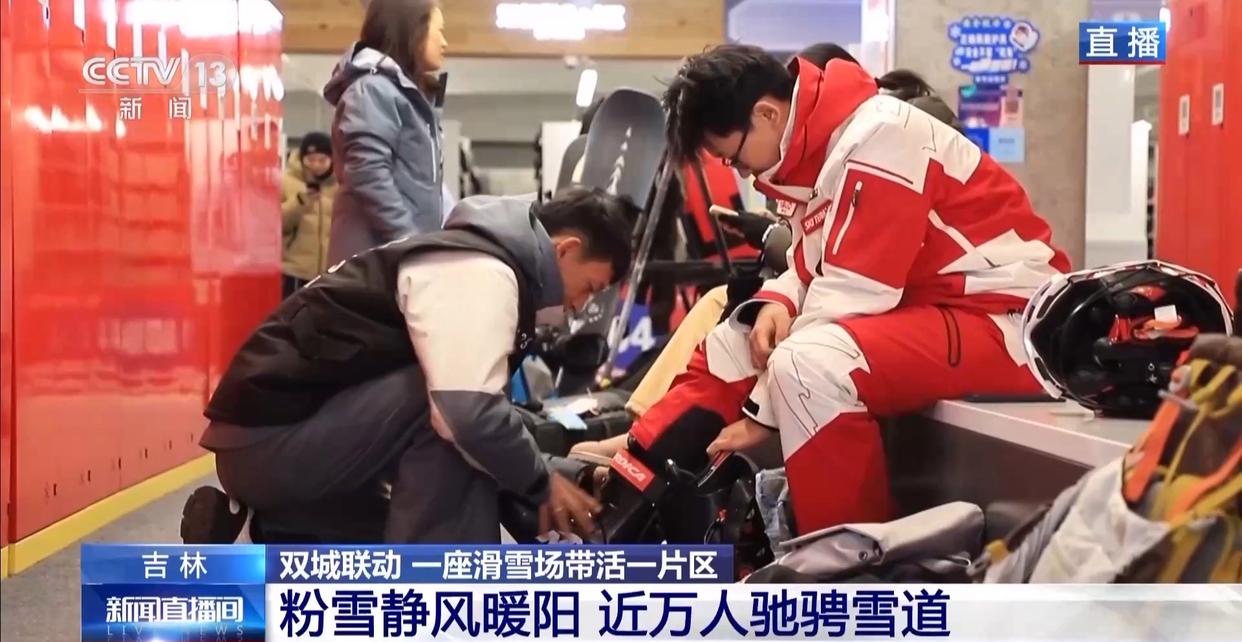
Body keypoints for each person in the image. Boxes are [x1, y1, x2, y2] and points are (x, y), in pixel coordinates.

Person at [612, 44, 1070, 536]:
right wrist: (779, 300)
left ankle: (847, 563)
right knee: (738, 336)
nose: (738, 171)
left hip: (1011, 326)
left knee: (807, 365)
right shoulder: (817, 153)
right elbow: (812, 265)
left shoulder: (882, 135)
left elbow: (855, 292)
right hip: (934, 313)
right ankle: (628, 477)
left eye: (734, 156)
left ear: (766, 114)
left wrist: (761, 415)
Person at [181, 188, 636, 543]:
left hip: (282, 440)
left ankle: (277, 529)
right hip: (265, 449)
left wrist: (553, 470)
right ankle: (442, 592)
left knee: (431, 481)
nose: (582, 306)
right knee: (452, 417)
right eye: (590, 287)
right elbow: (468, 415)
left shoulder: (472, 259)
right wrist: (540, 482)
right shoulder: (478, 271)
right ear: (564, 250)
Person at [324, 0, 449, 263]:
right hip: (375, 263)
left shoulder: (404, 95)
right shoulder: (372, 89)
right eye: (438, 31)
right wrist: (408, 241)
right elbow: (367, 174)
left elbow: (424, 185)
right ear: (413, 30)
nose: (444, 43)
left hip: (396, 259)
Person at [280, 132, 338, 297]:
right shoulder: (286, 182)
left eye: (322, 160)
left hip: (332, 270)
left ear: (332, 159)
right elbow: (277, 224)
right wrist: (299, 202)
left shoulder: (341, 185)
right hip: (295, 270)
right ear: (302, 159)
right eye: (311, 160)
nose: (316, 165)